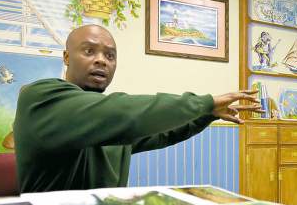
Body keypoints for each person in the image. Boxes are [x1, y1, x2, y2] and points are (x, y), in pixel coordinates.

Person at [14, 24, 262, 193]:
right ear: (67, 57)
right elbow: (123, 112)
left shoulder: (112, 124)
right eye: (89, 51)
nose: (101, 60)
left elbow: (162, 133)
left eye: (110, 56)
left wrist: (206, 115)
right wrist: (205, 102)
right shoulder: (39, 97)